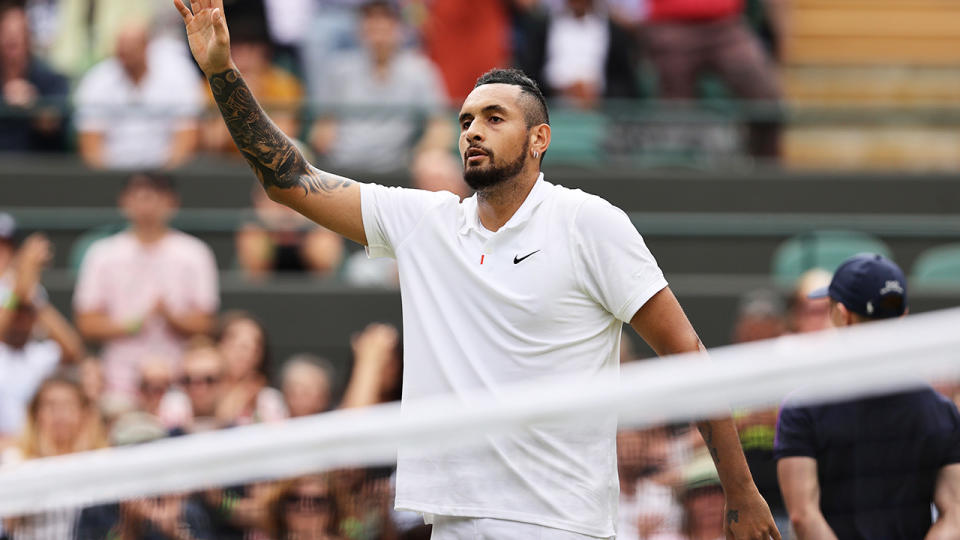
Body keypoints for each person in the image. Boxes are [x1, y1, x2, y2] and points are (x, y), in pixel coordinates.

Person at [173, 2, 779, 537]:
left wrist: (741, 490)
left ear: (539, 138)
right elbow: (290, 181)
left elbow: (688, 354)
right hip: (453, 519)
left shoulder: (589, 222)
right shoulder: (425, 222)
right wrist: (223, 72)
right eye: (465, 120)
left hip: (559, 523)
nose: (473, 132)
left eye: (494, 118)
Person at [775, 254, 960, 539]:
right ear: (903, 314)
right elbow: (955, 515)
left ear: (843, 314)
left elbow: (803, 516)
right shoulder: (941, 410)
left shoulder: (801, 409)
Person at [74, 172, 219, 399]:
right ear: (124, 201)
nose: (146, 202)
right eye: (138, 195)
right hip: (118, 382)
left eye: (155, 195)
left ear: (172, 202)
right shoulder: (101, 254)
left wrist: (171, 317)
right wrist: (134, 323)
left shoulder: (195, 253)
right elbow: (86, 322)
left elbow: (206, 322)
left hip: (179, 383)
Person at [307, 1, 451, 175]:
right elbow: (322, 128)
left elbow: (440, 126)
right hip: (342, 165)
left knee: (437, 168)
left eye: (385, 20)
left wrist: (421, 154)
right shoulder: (339, 69)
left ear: (399, 28)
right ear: (360, 28)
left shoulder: (420, 70)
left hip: (397, 165)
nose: (378, 30)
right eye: (371, 21)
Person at [74, 19, 202, 169]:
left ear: (146, 46)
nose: (125, 51)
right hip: (112, 178)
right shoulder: (96, 80)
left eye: (131, 45)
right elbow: (91, 147)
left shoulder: (178, 75)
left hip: (165, 179)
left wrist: (160, 182)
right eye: (122, 45)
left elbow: (186, 138)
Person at [0, 234, 85, 445]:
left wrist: (33, 299)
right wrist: (19, 289)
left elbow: (74, 350)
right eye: (16, 311)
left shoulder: (42, 354)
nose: (21, 319)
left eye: (27, 312)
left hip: (37, 450)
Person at [1, 373, 106, 539]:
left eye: (68, 405)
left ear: (83, 412)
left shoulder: (102, 460)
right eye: (50, 405)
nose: (59, 414)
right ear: (36, 414)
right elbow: (8, 523)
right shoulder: (16, 459)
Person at [0, 3, 69, 153]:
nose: (11, 39)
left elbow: (57, 122)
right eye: (6, 33)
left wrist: (33, 104)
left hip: (37, 167)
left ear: (29, 37)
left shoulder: (51, 78)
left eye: (18, 33)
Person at [214, 311, 287, 425]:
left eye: (255, 348)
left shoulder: (268, 399)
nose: (244, 355)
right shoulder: (197, 386)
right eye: (237, 345)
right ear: (218, 345)